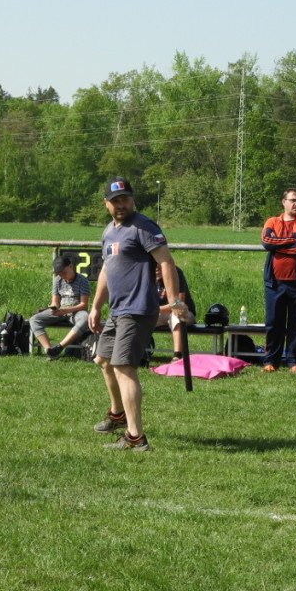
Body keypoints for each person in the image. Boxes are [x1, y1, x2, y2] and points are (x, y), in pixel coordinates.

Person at [89, 176, 189, 451]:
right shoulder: (109, 232)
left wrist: (174, 302)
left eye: (125, 199)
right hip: (117, 309)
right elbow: (107, 271)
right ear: (106, 204)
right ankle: (118, 414)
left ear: (133, 199)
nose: (121, 204)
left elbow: (166, 261)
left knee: (124, 367)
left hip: (138, 309)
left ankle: (135, 437)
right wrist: (96, 306)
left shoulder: (143, 227)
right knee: (103, 360)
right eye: (115, 200)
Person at [260, 187, 296, 373]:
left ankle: (294, 361)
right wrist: (292, 239)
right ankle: (271, 360)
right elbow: (266, 241)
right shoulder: (272, 221)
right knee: (273, 322)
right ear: (283, 202)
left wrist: (280, 244)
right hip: (274, 282)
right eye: (292, 200)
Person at [30, 254, 90, 360]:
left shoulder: (83, 281)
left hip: (76, 311)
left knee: (85, 318)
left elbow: (83, 305)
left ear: (71, 267)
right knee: (34, 319)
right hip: (61, 311)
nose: (62, 275)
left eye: (64, 272)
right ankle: (50, 351)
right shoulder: (57, 280)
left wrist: (66, 310)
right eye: (59, 273)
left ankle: (59, 347)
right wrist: (53, 308)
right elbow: (55, 302)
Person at [155, 264, 196, 362]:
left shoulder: (175, 272)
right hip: (160, 313)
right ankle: (140, 353)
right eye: (154, 265)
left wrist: (155, 309)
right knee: (141, 317)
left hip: (185, 312)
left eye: (159, 266)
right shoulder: (146, 273)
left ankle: (177, 356)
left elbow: (179, 303)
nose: (157, 268)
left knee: (176, 315)